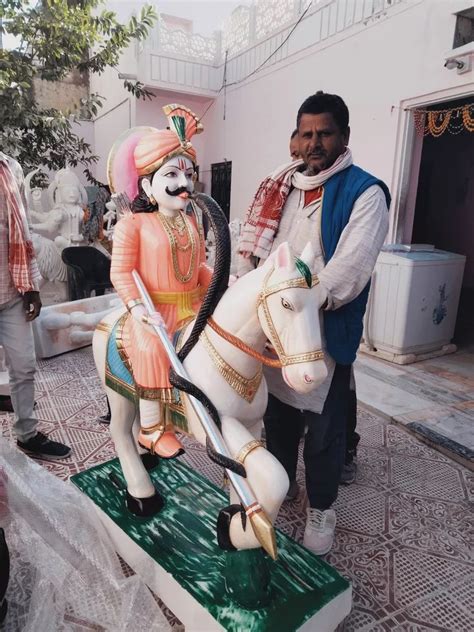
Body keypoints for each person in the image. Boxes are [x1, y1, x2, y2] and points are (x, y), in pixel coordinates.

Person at [237, 92, 390, 555]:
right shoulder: (277, 187)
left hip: (321, 332)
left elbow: (348, 270)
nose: (315, 142)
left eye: (325, 133)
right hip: (275, 332)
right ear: (295, 139)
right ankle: (283, 486)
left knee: (324, 430)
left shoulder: (365, 192)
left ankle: (322, 506)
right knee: (278, 418)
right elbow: (253, 255)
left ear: (344, 136)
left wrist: (297, 302)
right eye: (307, 133)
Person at [109, 104, 213, 458]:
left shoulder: (192, 222)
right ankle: (153, 429)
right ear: (146, 185)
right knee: (153, 346)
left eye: (188, 174)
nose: (183, 184)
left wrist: (219, 280)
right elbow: (121, 272)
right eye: (171, 174)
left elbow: (199, 267)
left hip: (194, 306)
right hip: (155, 312)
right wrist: (137, 308)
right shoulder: (133, 225)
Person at [0, 152, 71, 459]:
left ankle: (27, 433)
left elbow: (22, 229)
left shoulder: (10, 167)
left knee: (24, 366)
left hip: (12, 291)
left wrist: (32, 286)